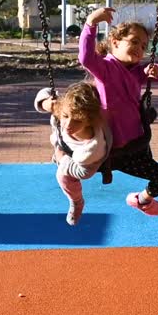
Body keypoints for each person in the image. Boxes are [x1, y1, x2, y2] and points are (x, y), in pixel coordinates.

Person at [78, 7, 158, 216]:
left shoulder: (137, 73)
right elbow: (85, 58)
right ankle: (74, 196)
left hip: (135, 147)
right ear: (115, 42)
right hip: (110, 149)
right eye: (134, 41)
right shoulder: (105, 68)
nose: (140, 49)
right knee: (74, 169)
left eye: (143, 46)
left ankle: (140, 200)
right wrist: (91, 23)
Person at [35, 82, 113, 226]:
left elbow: (84, 173)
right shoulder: (64, 108)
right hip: (64, 145)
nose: (69, 124)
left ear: (89, 121)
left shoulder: (93, 147)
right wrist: (46, 104)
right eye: (65, 116)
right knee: (60, 123)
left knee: (62, 175)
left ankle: (76, 202)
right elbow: (43, 93)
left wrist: (62, 159)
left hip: (84, 163)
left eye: (77, 120)